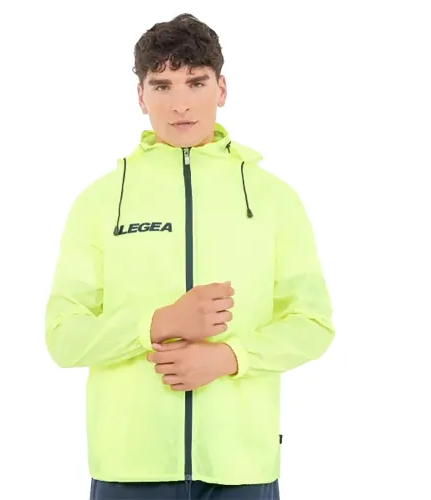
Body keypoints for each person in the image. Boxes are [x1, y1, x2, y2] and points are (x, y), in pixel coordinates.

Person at [45, 12, 335, 500]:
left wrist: (229, 357)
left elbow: (314, 323)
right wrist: (157, 323)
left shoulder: (273, 199)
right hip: (128, 468)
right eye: (161, 86)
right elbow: (62, 337)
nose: (180, 104)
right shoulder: (99, 201)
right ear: (141, 96)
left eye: (196, 82)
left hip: (241, 468)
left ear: (221, 88)